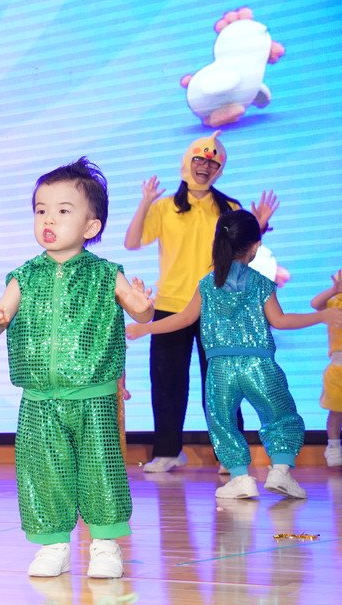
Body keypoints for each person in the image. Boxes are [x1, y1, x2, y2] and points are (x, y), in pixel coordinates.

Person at [0, 157, 154, 578]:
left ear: (90, 226)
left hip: (93, 395)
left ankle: (105, 544)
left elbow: (140, 313)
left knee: (101, 468)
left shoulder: (105, 273)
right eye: (41, 210)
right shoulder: (23, 276)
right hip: (39, 399)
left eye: (63, 210)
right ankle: (54, 545)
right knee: (44, 471)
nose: (48, 219)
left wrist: (143, 304)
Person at [128, 211, 342, 499]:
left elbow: (184, 319)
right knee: (280, 415)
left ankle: (240, 478)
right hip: (259, 365)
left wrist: (145, 328)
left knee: (222, 421)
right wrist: (321, 316)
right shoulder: (260, 283)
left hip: (220, 369)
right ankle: (280, 470)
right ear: (255, 246)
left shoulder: (208, 283)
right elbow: (279, 321)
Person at [123, 132, 278, 473]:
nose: (205, 167)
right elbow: (131, 242)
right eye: (199, 159)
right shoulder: (165, 207)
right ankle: (167, 452)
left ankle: (230, 454)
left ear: (219, 170)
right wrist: (146, 201)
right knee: (167, 382)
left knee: (223, 382)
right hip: (171, 304)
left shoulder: (229, 208)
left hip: (217, 305)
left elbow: (244, 252)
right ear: (187, 162)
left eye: (213, 163)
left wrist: (259, 226)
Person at [311, 270, 342, 467]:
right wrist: (334, 290)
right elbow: (315, 304)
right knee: (336, 411)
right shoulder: (334, 302)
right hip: (338, 368)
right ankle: (333, 446)